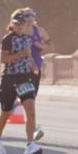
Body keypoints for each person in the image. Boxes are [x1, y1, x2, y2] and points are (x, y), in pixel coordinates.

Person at [0, 10, 42, 154]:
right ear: (11, 24)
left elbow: (28, 56)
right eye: (17, 23)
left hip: (24, 78)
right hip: (9, 79)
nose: (20, 26)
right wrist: (21, 54)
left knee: (31, 110)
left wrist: (33, 65)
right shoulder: (7, 39)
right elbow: (3, 59)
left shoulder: (28, 39)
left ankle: (30, 144)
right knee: (5, 113)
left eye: (22, 23)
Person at [24, 9, 52, 142]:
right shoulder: (19, 30)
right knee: (27, 99)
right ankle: (33, 129)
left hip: (36, 69)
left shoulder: (40, 30)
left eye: (32, 15)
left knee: (31, 99)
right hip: (22, 69)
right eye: (27, 15)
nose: (30, 17)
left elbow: (50, 46)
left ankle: (33, 128)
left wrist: (40, 45)